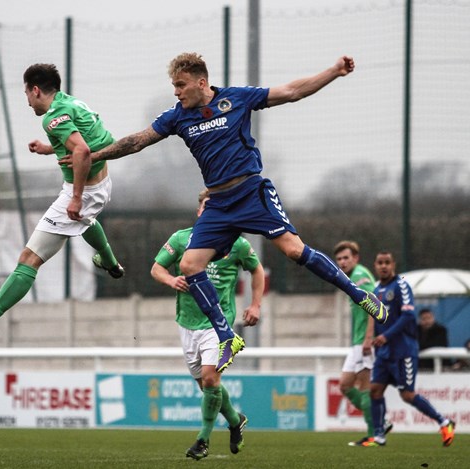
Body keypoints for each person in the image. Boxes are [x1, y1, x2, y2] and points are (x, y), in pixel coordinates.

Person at [59, 53, 388, 373]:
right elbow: (136, 142)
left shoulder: (237, 99)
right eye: (174, 85)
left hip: (250, 192)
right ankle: (227, 335)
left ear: (201, 82)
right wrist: (94, 155)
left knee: (293, 250)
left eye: (180, 84)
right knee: (188, 264)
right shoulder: (177, 116)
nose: (176, 91)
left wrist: (333, 71)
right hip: (217, 204)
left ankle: (359, 295)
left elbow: (291, 92)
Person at [0, 63, 124, 343]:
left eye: (26, 93)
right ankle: (110, 262)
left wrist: (75, 197)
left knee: (28, 259)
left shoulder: (53, 116)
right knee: (84, 220)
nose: (27, 100)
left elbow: (83, 150)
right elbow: (91, 140)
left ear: (36, 90)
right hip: (102, 184)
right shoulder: (72, 103)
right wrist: (50, 148)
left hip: (84, 191)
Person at [151, 189, 264, 460]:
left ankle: (202, 440)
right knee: (206, 386)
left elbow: (256, 270)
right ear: (199, 210)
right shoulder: (181, 239)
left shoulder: (235, 244)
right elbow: (156, 268)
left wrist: (256, 304)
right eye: (206, 206)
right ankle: (235, 420)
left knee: (211, 378)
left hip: (219, 324)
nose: (209, 210)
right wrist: (170, 280)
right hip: (187, 323)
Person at [363, 251, 455, 447]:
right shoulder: (376, 288)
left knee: (407, 395)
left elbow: (407, 317)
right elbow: (373, 316)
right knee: (375, 390)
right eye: (380, 262)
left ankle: (444, 422)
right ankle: (379, 435)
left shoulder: (402, 285)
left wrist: (385, 336)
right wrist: (370, 338)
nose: (384, 266)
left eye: (387, 262)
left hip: (403, 351)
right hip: (384, 353)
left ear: (394, 264)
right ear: (375, 265)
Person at [332, 241, 392, 446]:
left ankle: (374, 433)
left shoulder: (360, 276)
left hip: (364, 341)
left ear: (355, 258)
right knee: (345, 385)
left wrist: (368, 337)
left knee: (364, 386)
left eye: (346, 258)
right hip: (357, 341)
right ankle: (380, 423)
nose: (342, 262)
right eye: (339, 259)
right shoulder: (352, 277)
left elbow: (372, 303)